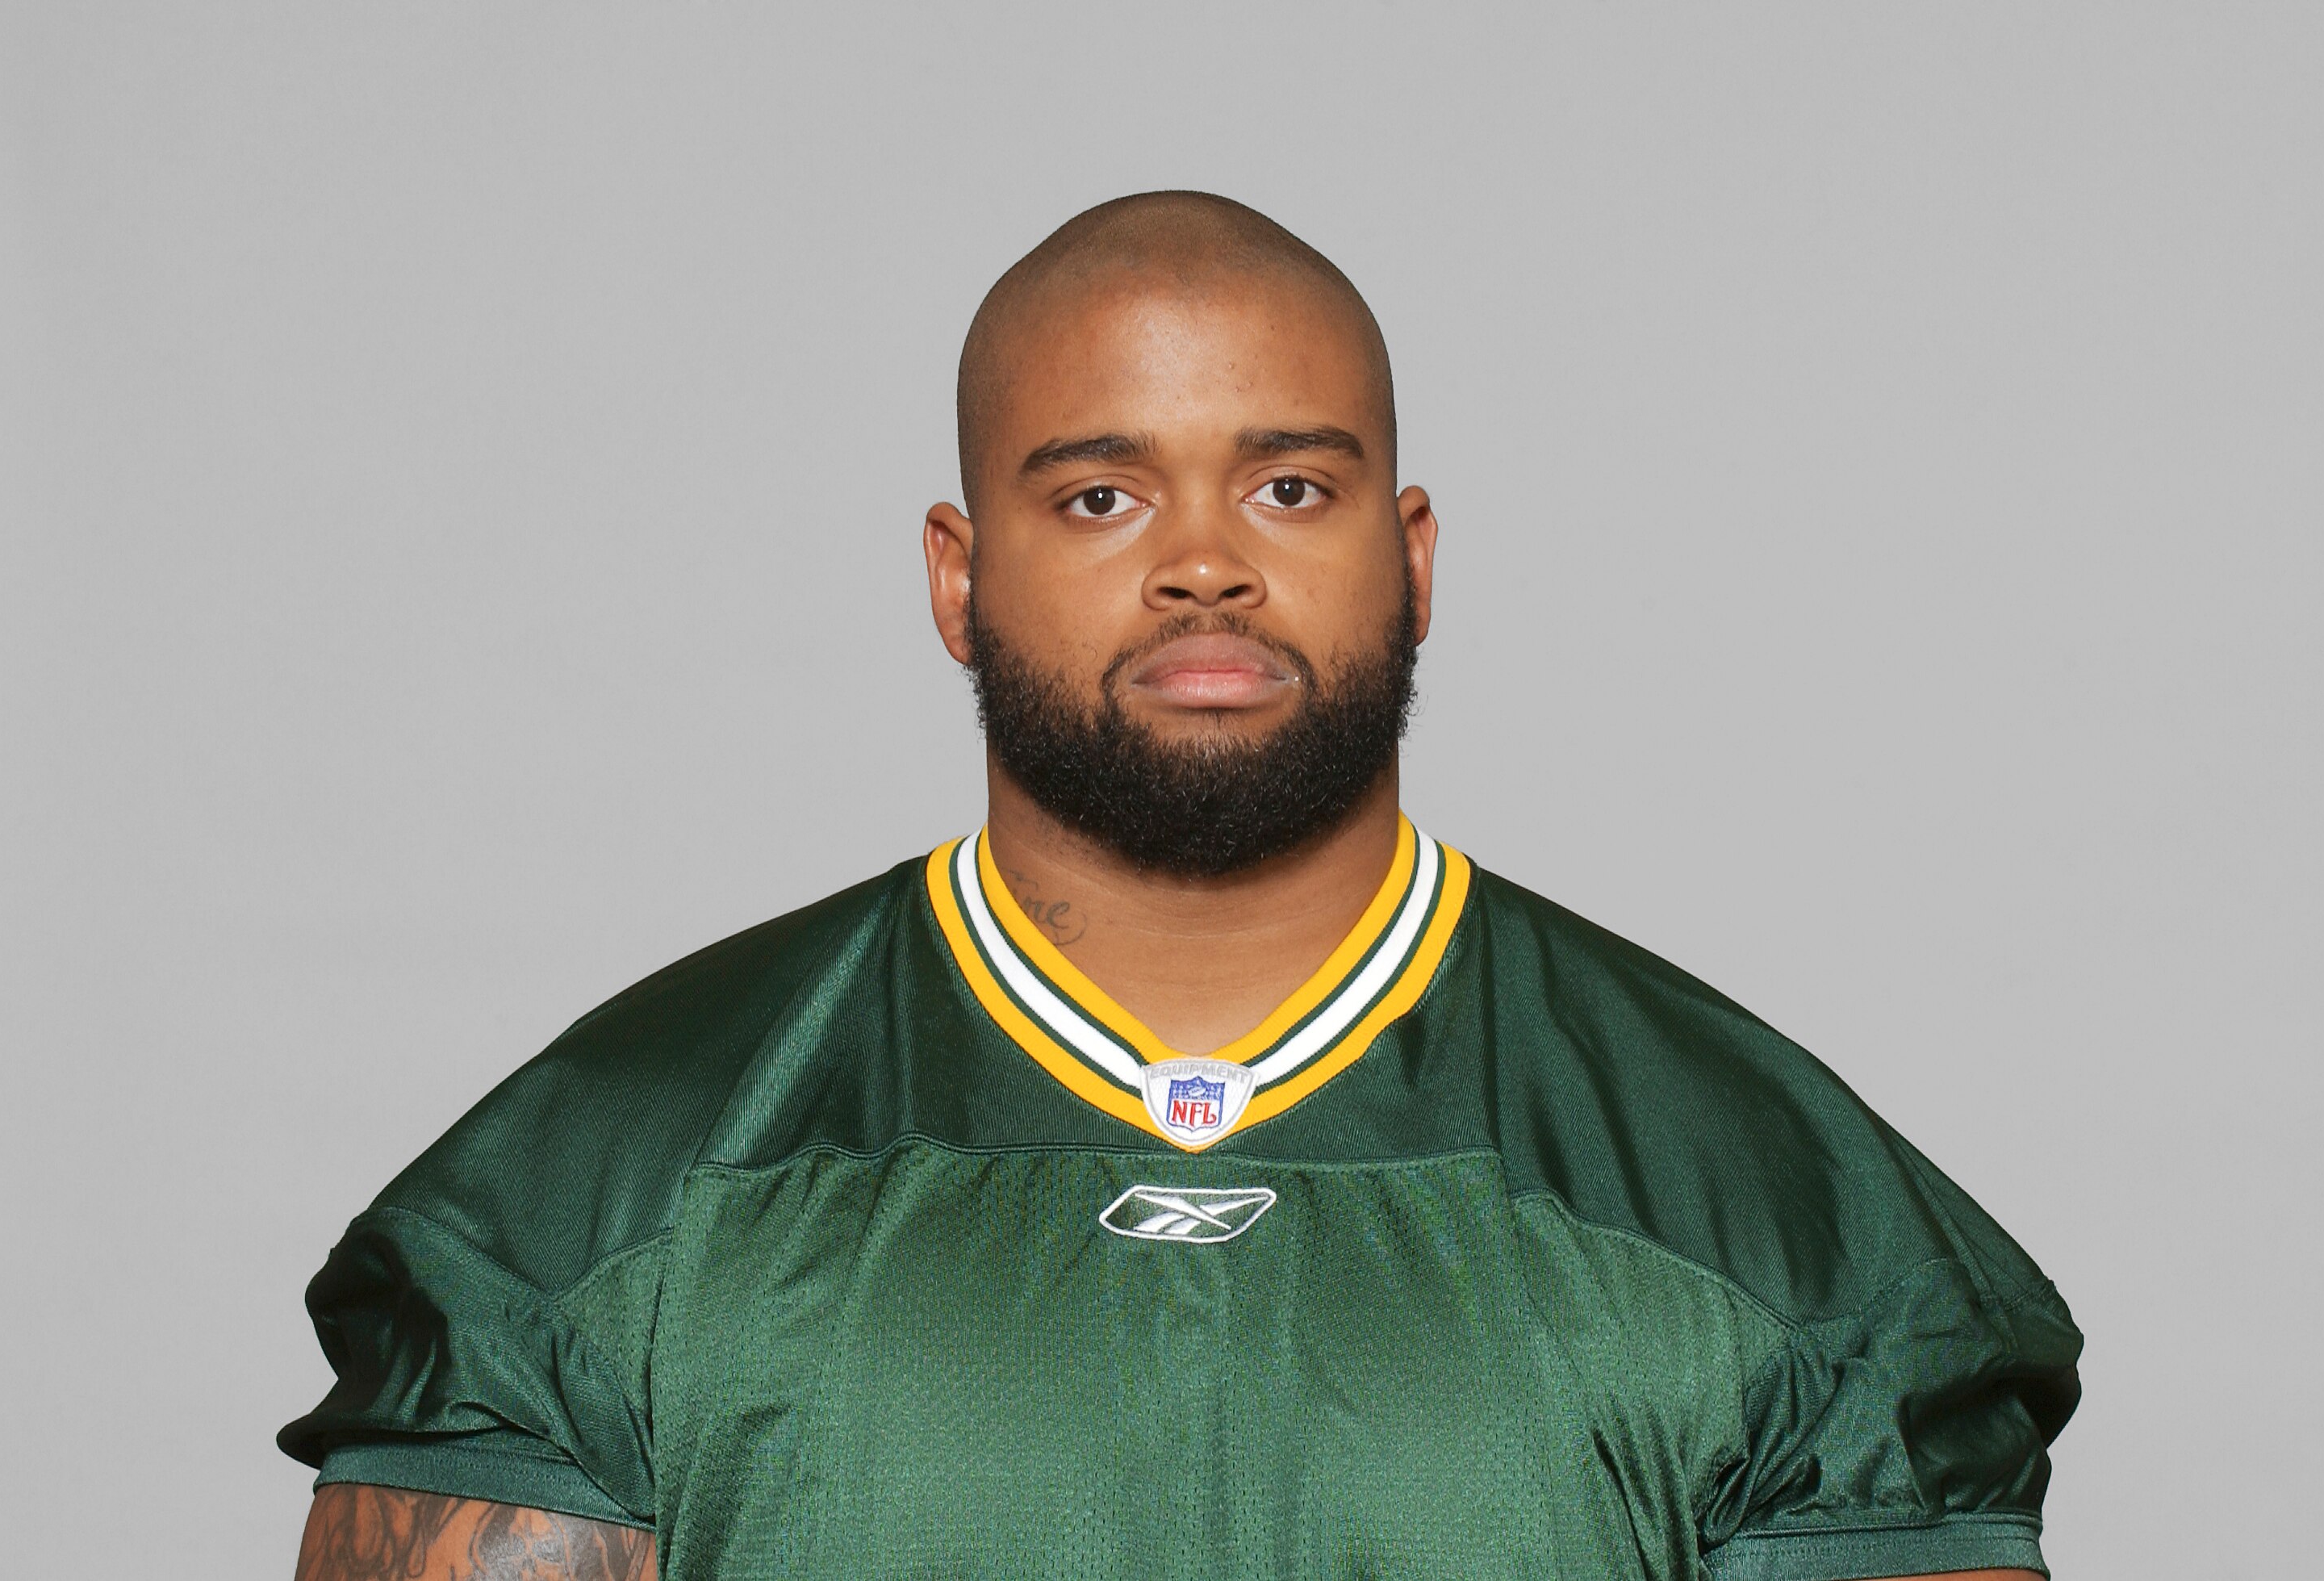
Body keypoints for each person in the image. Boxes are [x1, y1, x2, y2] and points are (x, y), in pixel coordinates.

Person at [282, 191, 2079, 1581]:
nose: (1205, 563)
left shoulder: (1779, 1212)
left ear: (1415, 556)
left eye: (1290, 484)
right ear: (956, 578)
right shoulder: (587, 1201)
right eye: (1099, 500)